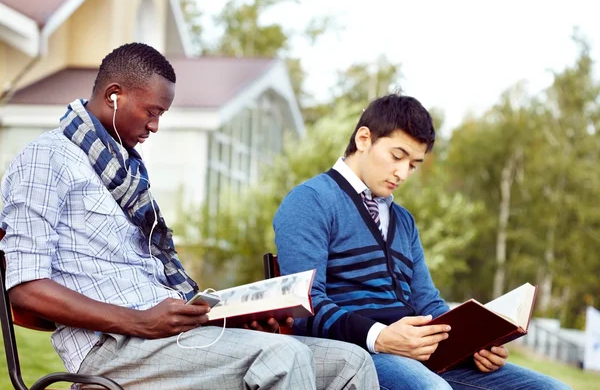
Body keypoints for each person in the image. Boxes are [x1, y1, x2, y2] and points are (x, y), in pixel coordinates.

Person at [0, 43, 378, 389]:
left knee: (351, 361)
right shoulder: (46, 158)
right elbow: (24, 286)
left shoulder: (124, 175)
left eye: (161, 114)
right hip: (111, 348)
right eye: (152, 112)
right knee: (283, 355)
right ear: (114, 95)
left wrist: (231, 318)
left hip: (167, 337)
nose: (155, 126)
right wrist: (138, 321)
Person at [272, 94, 571, 390]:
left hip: (423, 355)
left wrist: (476, 341)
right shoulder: (310, 201)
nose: (402, 173)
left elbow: (427, 302)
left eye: (413, 164)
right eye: (397, 156)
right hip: (356, 353)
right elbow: (304, 306)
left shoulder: (403, 221)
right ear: (364, 139)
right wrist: (380, 336)